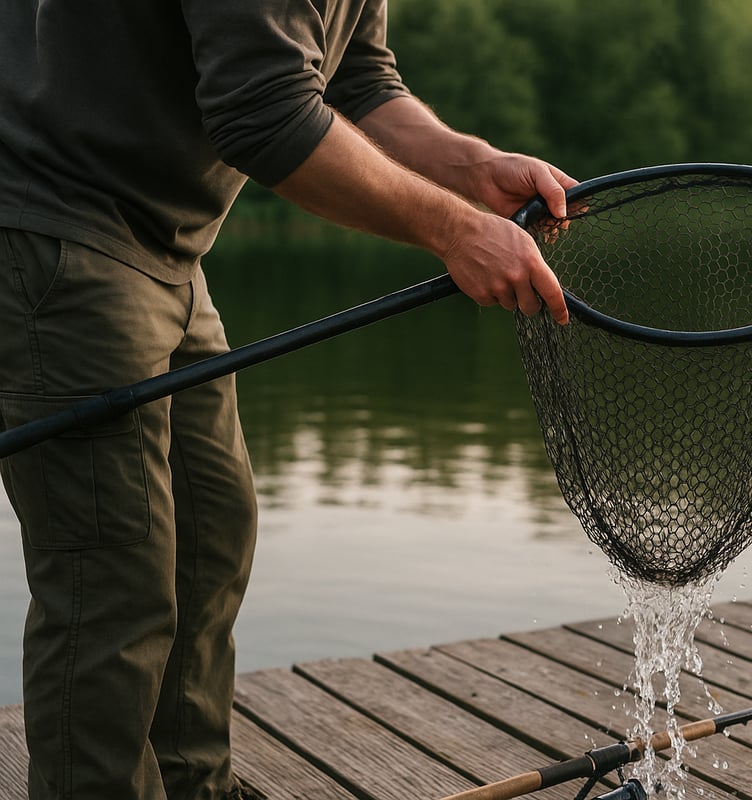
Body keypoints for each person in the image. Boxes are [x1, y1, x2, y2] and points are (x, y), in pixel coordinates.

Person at [0, 1, 575, 798]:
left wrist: (472, 167)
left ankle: (194, 788)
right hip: (54, 225)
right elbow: (263, 115)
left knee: (213, 528)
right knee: (113, 574)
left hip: (159, 242)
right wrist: (454, 230)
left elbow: (355, 80)